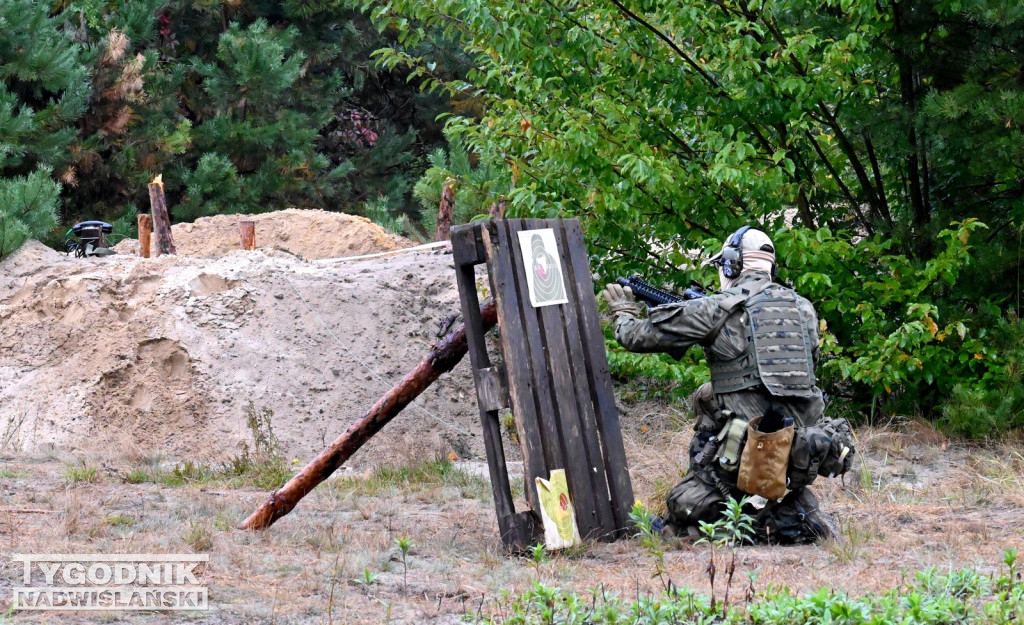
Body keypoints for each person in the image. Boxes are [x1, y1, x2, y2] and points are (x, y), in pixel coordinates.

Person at [602, 226, 846, 543]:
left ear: (731, 264)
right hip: (796, 451)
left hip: (749, 451)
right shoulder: (804, 309)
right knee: (707, 395)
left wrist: (622, 312)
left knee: (683, 505)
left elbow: (635, 336)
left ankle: (728, 500)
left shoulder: (717, 307)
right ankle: (779, 510)